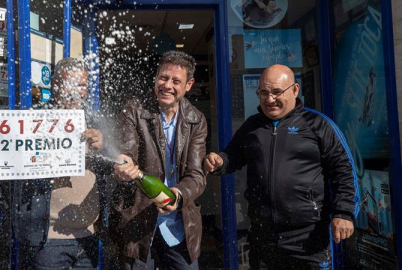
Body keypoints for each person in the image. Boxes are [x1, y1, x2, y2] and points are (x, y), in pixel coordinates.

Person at [204, 64, 359, 269]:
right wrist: (220, 161)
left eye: (277, 92)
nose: (270, 100)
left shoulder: (318, 124)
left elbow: (344, 171)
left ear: (295, 90)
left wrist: (344, 213)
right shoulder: (252, 126)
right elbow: (233, 155)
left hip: (308, 240)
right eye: (264, 93)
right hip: (263, 237)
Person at [0, 57, 110, 270]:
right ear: (56, 86)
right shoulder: (32, 120)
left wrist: (103, 147)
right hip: (47, 239)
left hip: (88, 236)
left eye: (82, 85)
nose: (76, 91)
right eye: (70, 84)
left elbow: (115, 168)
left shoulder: (95, 121)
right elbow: (10, 168)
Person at [108, 50, 207, 269]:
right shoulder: (134, 110)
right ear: (156, 77)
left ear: (188, 85)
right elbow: (128, 151)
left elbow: (197, 175)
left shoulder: (196, 120)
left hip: (181, 226)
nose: (167, 85)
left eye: (176, 81)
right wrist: (124, 165)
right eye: (163, 77)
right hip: (138, 223)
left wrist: (178, 196)